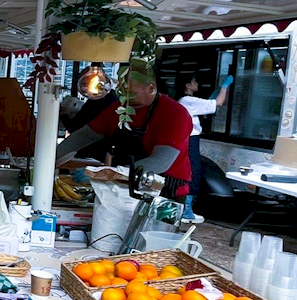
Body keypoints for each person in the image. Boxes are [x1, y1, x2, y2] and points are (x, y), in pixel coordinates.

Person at [55, 62, 194, 203]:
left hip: (164, 192)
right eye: (122, 90)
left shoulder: (175, 114)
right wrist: (50, 159)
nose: (125, 95)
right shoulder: (118, 109)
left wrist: (107, 174)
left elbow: (160, 162)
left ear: (151, 88)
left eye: (131, 92)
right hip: (122, 187)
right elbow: (82, 136)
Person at [176, 75, 232, 223]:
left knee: (191, 171)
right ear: (188, 85)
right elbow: (219, 103)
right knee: (193, 172)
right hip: (190, 140)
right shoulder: (188, 101)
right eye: (194, 81)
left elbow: (206, 108)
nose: (197, 84)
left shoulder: (185, 101)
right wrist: (225, 87)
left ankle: (185, 209)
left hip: (187, 139)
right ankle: (186, 211)